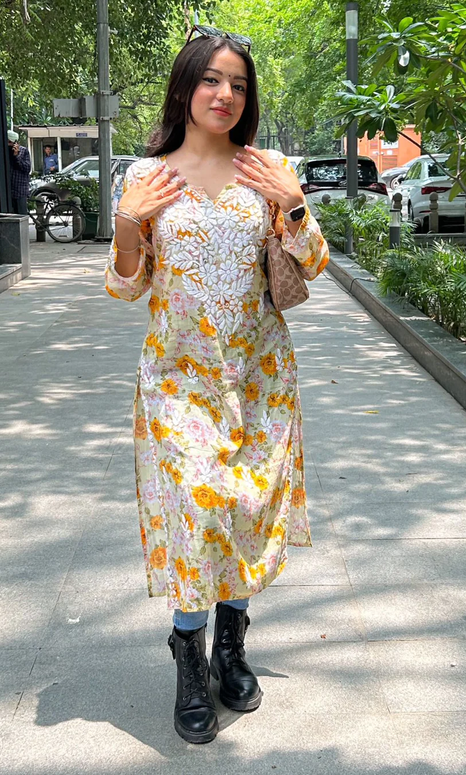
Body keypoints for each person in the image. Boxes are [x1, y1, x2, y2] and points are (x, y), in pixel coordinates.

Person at [105, 25, 329, 745]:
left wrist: (292, 204)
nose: (225, 93)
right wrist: (128, 228)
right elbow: (122, 287)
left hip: (260, 376)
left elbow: (314, 264)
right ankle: (189, 659)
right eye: (211, 79)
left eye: (237, 82)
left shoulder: (269, 170)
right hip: (177, 381)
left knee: (243, 513)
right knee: (197, 517)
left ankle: (232, 646)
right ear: (185, 87)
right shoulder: (143, 178)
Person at [7, 130, 31, 214]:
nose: (8, 144)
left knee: (21, 214)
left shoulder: (23, 151)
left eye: (10, 142)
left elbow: (27, 168)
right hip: (8, 190)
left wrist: (16, 156)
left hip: (20, 189)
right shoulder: (4, 152)